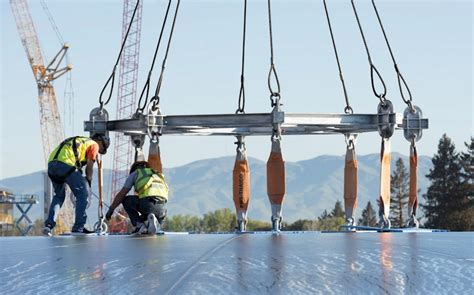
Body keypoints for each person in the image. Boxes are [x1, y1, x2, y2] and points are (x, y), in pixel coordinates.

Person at [43, 134, 110, 236]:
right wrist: (88, 183)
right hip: (66, 165)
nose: (99, 152)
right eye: (102, 148)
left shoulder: (80, 140)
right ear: (100, 141)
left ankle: (48, 225)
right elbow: (89, 167)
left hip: (52, 165)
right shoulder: (93, 145)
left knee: (59, 196)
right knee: (82, 195)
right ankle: (79, 227)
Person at [106, 161, 169, 234]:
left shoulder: (136, 173)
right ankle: (155, 221)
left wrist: (111, 209)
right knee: (150, 212)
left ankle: (139, 225)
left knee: (126, 200)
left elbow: (122, 194)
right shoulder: (158, 175)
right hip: (162, 210)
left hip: (147, 205)